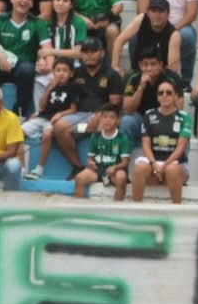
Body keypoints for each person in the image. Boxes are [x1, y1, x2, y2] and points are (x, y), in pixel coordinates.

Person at [48, 37, 124, 176]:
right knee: (59, 127)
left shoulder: (112, 75)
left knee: (105, 126)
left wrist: (98, 117)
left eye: (93, 51)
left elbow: (114, 104)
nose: (89, 55)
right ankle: (78, 167)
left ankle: (104, 172)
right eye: (85, 51)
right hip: (79, 115)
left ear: (101, 53)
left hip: (104, 116)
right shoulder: (76, 73)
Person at [0, 0, 52, 115]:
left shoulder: (38, 23)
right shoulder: (0, 20)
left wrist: (49, 65)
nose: (24, 0)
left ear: (31, 4)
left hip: (23, 65)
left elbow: (47, 49)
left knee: (27, 70)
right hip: (1, 63)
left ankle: (19, 113)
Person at [132, 80, 191, 203]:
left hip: (176, 164)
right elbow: (146, 144)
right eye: (161, 93)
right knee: (139, 168)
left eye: (169, 93)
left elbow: (181, 147)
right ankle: (136, 210)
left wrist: (163, 166)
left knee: (171, 170)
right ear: (157, 97)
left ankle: (176, 210)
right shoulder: (148, 115)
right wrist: (154, 164)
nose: (164, 95)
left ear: (175, 96)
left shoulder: (185, 117)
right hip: (153, 164)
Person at [21, 58, 76, 179]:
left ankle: (39, 169)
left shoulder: (73, 88)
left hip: (55, 121)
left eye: (65, 71)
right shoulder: (52, 86)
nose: (61, 73)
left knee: (47, 134)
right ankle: (22, 168)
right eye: (58, 70)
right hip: (43, 117)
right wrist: (50, 88)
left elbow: (73, 109)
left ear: (71, 73)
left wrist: (60, 114)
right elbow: (41, 105)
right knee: (18, 132)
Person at [119, 51, 185, 146]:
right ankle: (124, 156)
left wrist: (169, 90)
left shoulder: (172, 78)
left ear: (160, 65)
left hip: (164, 117)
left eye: (153, 64)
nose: (149, 68)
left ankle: (180, 160)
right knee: (126, 121)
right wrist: (141, 86)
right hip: (141, 117)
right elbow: (128, 109)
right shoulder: (133, 78)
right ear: (140, 65)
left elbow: (179, 109)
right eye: (145, 65)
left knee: (181, 125)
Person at [70, 103, 131, 199]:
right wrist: (90, 162)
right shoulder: (95, 136)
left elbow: (125, 162)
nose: (107, 120)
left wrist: (115, 167)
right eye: (105, 117)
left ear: (117, 120)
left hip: (115, 169)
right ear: (101, 118)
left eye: (112, 117)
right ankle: (81, 210)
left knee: (121, 178)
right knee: (79, 178)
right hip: (98, 169)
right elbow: (90, 157)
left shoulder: (122, 137)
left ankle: (117, 208)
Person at [115, 0, 181, 75]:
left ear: (168, 14)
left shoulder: (174, 35)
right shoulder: (141, 19)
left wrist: (153, 77)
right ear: (148, 13)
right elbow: (119, 40)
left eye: (161, 11)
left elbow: (172, 70)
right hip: (139, 72)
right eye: (154, 11)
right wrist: (115, 65)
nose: (157, 15)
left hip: (162, 76)